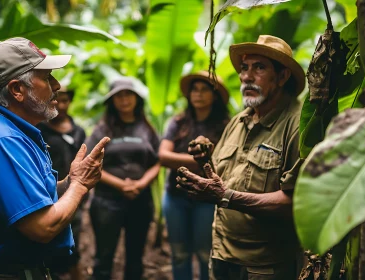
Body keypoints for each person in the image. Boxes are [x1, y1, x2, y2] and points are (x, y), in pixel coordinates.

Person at [0, 37, 110, 279]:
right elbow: (42, 226)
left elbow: (30, 200)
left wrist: (71, 181)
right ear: (17, 90)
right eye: (48, 77)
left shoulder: (9, 131)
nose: (57, 85)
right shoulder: (1, 141)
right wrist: (79, 187)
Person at [176, 35, 306, 280]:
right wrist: (206, 159)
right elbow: (223, 179)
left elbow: (296, 203)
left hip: (265, 266)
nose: (246, 76)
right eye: (244, 68)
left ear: (282, 76)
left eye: (259, 67)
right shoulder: (239, 121)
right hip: (222, 255)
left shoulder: (297, 124)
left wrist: (225, 197)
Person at [85, 77, 160, 280]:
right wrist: (120, 185)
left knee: (135, 259)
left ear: (136, 99)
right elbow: (89, 162)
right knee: (104, 258)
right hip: (107, 203)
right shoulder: (102, 130)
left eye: (128, 94)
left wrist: (142, 183)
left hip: (140, 201)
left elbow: (157, 161)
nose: (124, 99)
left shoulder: (147, 128)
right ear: (112, 101)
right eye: (118, 96)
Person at [158, 71, 230, 280]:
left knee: (205, 253)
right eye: (194, 90)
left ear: (215, 95)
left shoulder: (226, 125)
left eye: (204, 90)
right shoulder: (178, 122)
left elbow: (226, 164)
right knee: (179, 254)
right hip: (175, 196)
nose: (198, 94)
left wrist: (179, 161)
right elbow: (162, 156)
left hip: (207, 199)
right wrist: (203, 161)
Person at [37, 87, 86, 280]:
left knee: (73, 241)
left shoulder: (78, 130)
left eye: (66, 101)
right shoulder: (40, 130)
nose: (62, 105)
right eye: (57, 100)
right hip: (46, 195)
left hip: (75, 193)